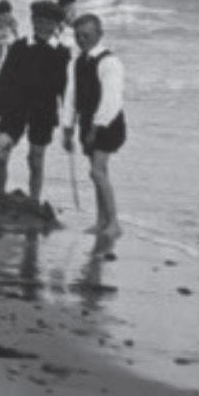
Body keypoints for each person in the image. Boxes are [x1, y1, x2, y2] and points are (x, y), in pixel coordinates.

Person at [0, 0, 71, 206]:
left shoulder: (61, 53)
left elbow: (65, 90)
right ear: (32, 20)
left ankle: (34, 201)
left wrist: (69, 122)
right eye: (37, 20)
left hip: (44, 112)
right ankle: (0, 195)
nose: (41, 25)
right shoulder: (19, 47)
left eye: (47, 21)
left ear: (56, 25)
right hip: (14, 107)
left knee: (36, 159)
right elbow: (3, 79)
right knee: (1, 151)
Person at [62, 14, 125, 238]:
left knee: (97, 171)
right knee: (98, 172)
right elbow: (71, 95)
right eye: (77, 36)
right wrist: (67, 127)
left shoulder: (109, 62)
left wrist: (96, 128)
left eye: (86, 35)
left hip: (109, 122)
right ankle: (101, 221)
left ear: (99, 34)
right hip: (87, 120)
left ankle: (114, 223)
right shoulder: (76, 62)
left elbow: (111, 99)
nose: (81, 40)